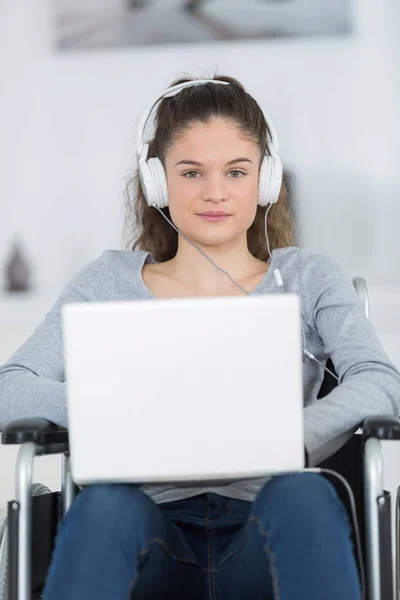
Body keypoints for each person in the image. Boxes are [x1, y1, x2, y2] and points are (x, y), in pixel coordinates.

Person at [0, 75, 400, 600]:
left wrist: (290, 433)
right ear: (158, 184)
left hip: (269, 528)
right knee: (103, 506)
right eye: (191, 172)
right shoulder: (109, 281)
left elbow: (379, 380)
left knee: (303, 494)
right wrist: (113, 406)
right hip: (149, 533)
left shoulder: (309, 277)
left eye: (236, 171)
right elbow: (12, 387)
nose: (215, 191)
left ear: (266, 180)